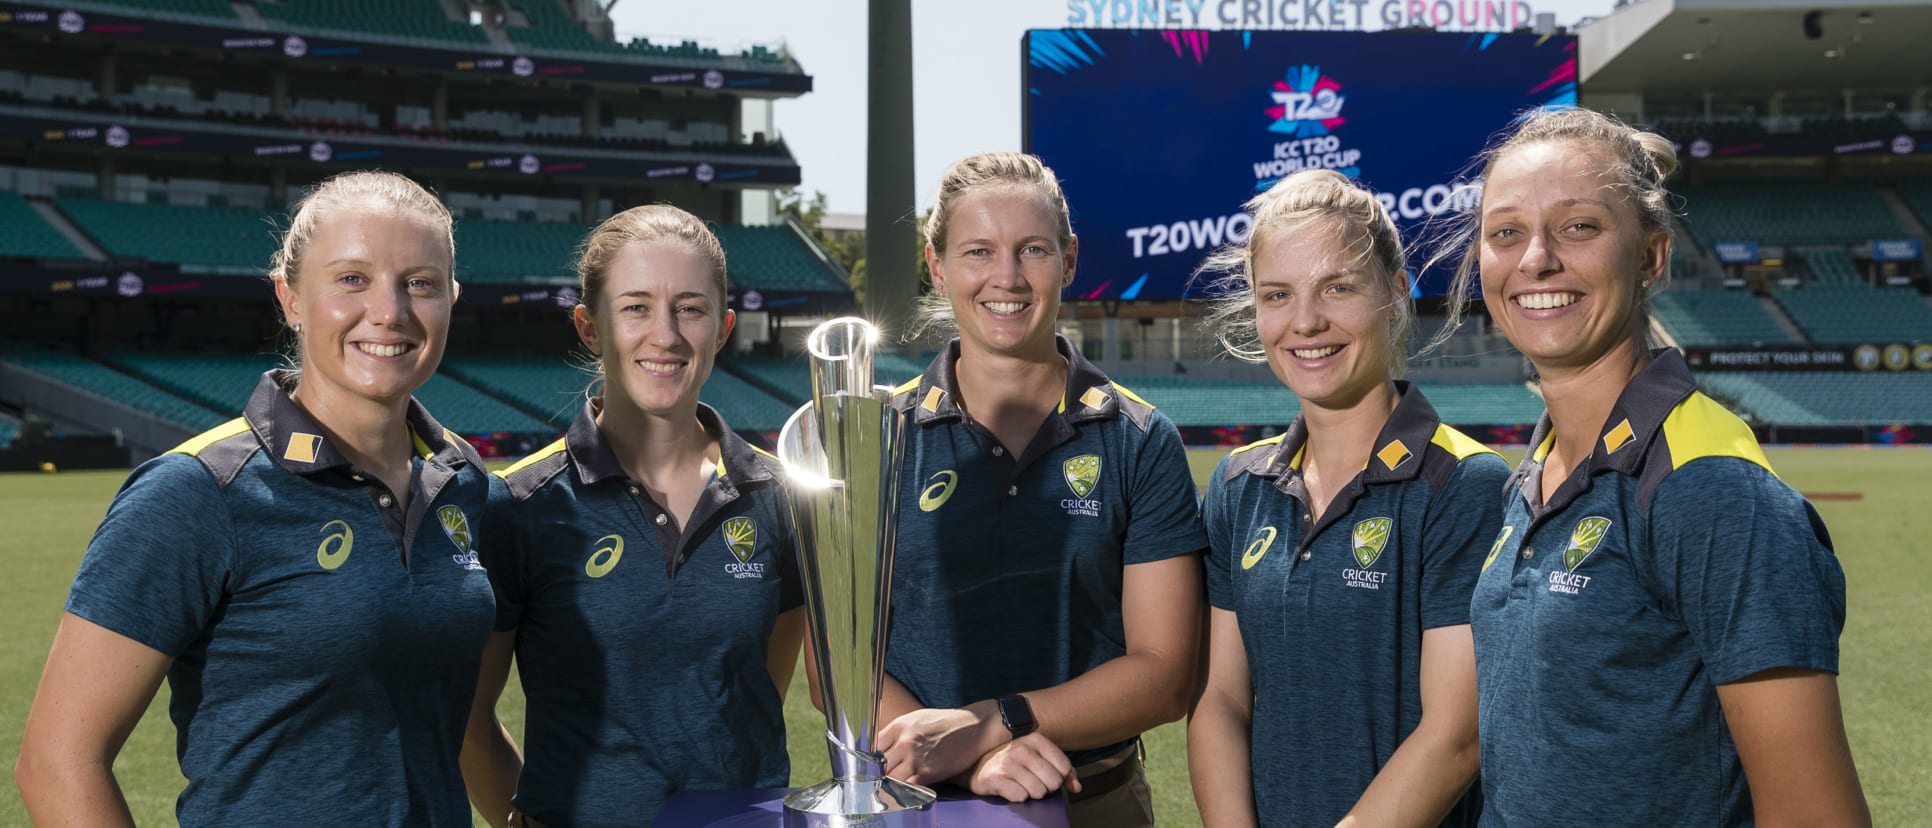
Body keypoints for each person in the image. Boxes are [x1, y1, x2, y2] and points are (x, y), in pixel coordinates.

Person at [13, 171, 492, 825]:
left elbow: (464, 722)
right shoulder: (196, 492)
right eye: (352, 279)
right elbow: (58, 762)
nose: (390, 311)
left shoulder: (463, 483)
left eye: (421, 283)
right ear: (291, 297)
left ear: (451, 298)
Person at [1447, 107, 1870, 825]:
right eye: (1505, 232)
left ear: (1651, 256)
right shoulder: (1541, 466)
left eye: (1579, 225)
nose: (1536, 258)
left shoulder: (1712, 491)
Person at [867, 151, 1206, 827]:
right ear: (937, 266)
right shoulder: (876, 437)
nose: (1006, 277)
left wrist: (992, 723)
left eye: (1032, 250)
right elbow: (839, 661)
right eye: (977, 251)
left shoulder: (1140, 439)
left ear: (1070, 258)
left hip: (1093, 804)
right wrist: (965, 759)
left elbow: (1165, 674)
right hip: (913, 803)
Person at [461, 205, 806, 828]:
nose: (666, 334)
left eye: (691, 308)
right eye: (636, 307)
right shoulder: (519, 506)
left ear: (724, 326)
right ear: (590, 327)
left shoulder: (780, 496)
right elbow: (469, 721)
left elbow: (758, 692)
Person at [1186, 169, 1508, 827]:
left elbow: (1455, 737)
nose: (1305, 321)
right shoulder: (1238, 486)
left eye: (1337, 287)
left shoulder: (1465, 484)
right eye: (1278, 294)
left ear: (1394, 293)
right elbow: (1220, 698)